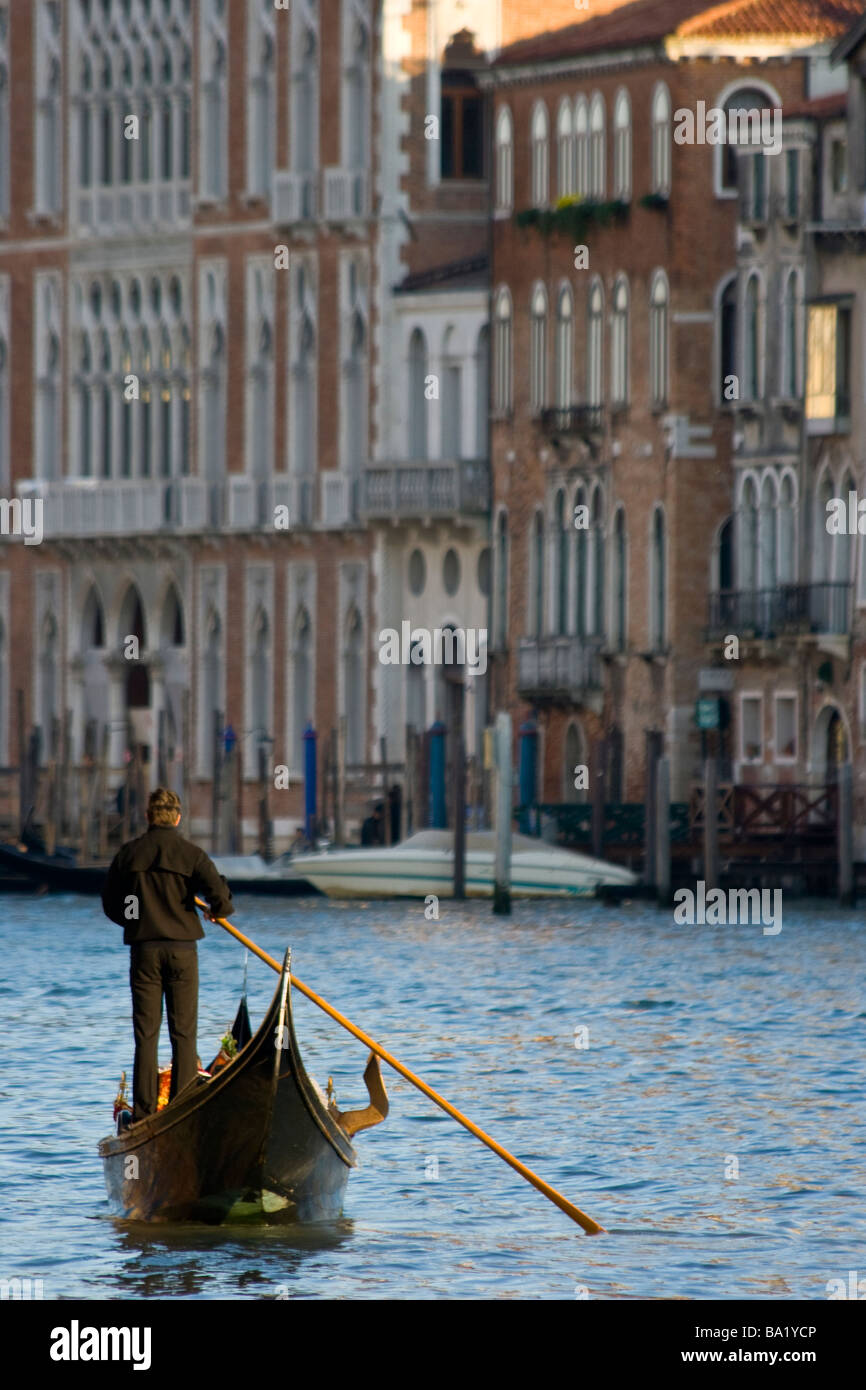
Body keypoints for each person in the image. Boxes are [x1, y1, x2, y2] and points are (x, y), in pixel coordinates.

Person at [101, 786, 234, 1125]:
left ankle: (145, 1115)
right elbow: (221, 897)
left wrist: (137, 915)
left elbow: (113, 904)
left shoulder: (129, 855)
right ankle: (182, 1108)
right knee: (184, 1033)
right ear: (177, 817)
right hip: (181, 952)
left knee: (146, 1035)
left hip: (144, 951)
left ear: (148, 817)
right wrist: (213, 911)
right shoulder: (191, 854)